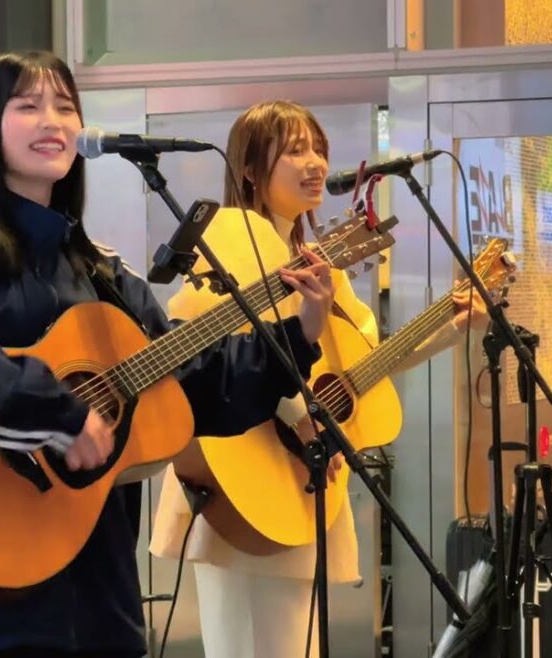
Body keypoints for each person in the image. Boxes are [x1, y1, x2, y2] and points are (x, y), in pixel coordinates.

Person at [0, 53, 335, 658]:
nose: (53, 121)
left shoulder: (105, 270)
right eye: (28, 105)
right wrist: (58, 414)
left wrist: (299, 334)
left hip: (97, 604)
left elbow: (193, 387)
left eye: (65, 106)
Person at [150, 100, 488, 658]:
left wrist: (452, 328)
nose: (315, 163)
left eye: (319, 149)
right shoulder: (230, 236)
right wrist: (296, 418)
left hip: (294, 486)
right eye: (295, 150)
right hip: (246, 477)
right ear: (251, 170)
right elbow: (199, 354)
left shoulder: (315, 260)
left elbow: (361, 365)